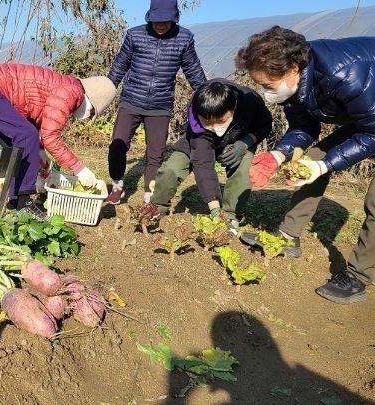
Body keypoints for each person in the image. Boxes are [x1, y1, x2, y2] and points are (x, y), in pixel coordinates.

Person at [235, 26, 375, 304]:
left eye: (268, 86)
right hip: (369, 118)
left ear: (293, 68)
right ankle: (288, 236)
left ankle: (358, 276)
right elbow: (304, 126)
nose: (266, 94)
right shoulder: (298, 80)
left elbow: (373, 134)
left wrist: (325, 166)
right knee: (311, 159)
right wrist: (280, 154)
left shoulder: (347, 75)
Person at [0, 63, 117, 220]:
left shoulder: (66, 87)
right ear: (91, 100)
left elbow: (37, 128)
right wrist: (80, 169)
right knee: (26, 135)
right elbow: (50, 137)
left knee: (18, 141)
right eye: (92, 112)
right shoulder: (71, 92)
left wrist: (42, 160)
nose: (89, 117)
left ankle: (14, 201)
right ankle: (23, 203)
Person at [106, 0, 206, 205]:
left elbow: (193, 70)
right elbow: (119, 67)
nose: (160, 25)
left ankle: (149, 193)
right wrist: (104, 93)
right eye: (156, 20)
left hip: (160, 105)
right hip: (131, 100)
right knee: (118, 145)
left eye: (165, 21)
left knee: (155, 153)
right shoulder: (135, 35)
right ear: (149, 17)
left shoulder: (184, 38)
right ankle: (117, 185)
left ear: (174, 17)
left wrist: (209, 96)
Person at [143, 79, 272, 232]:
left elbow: (265, 125)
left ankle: (230, 215)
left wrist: (245, 143)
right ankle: (157, 206)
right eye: (208, 122)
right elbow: (203, 164)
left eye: (221, 121)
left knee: (243, 172)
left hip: (238, 142)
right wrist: (214, 208)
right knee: (172, 168)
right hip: (199, 142)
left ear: (234, 107)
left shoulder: (250, 101)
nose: (214, 127)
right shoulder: (198, 117)